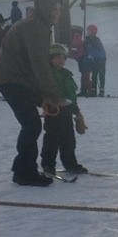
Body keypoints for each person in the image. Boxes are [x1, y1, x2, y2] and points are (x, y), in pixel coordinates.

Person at [0, 0, 65, 186]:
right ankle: (25, 172)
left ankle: (22, 167)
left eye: (59, 10)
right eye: (54, 9)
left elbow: (33, 66)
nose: (57, 14)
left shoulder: (37, 25)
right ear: (45, 9)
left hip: (15, 79)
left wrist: (42, 96)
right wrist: (53, 95)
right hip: (11, 79)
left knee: (31, 124)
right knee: (32, 125)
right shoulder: (35, 27)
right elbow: (40, 66)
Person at [40, 43, 88, 176]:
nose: (61, 60)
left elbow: (71, 95)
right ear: (51, 59)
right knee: (52, 139)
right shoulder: (48, 74)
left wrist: (76, 110)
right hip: (53, 111)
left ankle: (70, 163)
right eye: (57, 57)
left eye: (63, 58)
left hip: (67, 112)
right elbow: (47, 91)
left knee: (69, 140)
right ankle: (48, 164)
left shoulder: (66, 75)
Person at [82, 23, 107, 96]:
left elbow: (92, 50)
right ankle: (94, 90)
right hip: (96, 60)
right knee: (94, 75)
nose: (88, 32)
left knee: (100, 75)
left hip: (100, 60)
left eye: (89, 31)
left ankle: (100, 90)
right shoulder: (90, 40)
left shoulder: (94, 40)